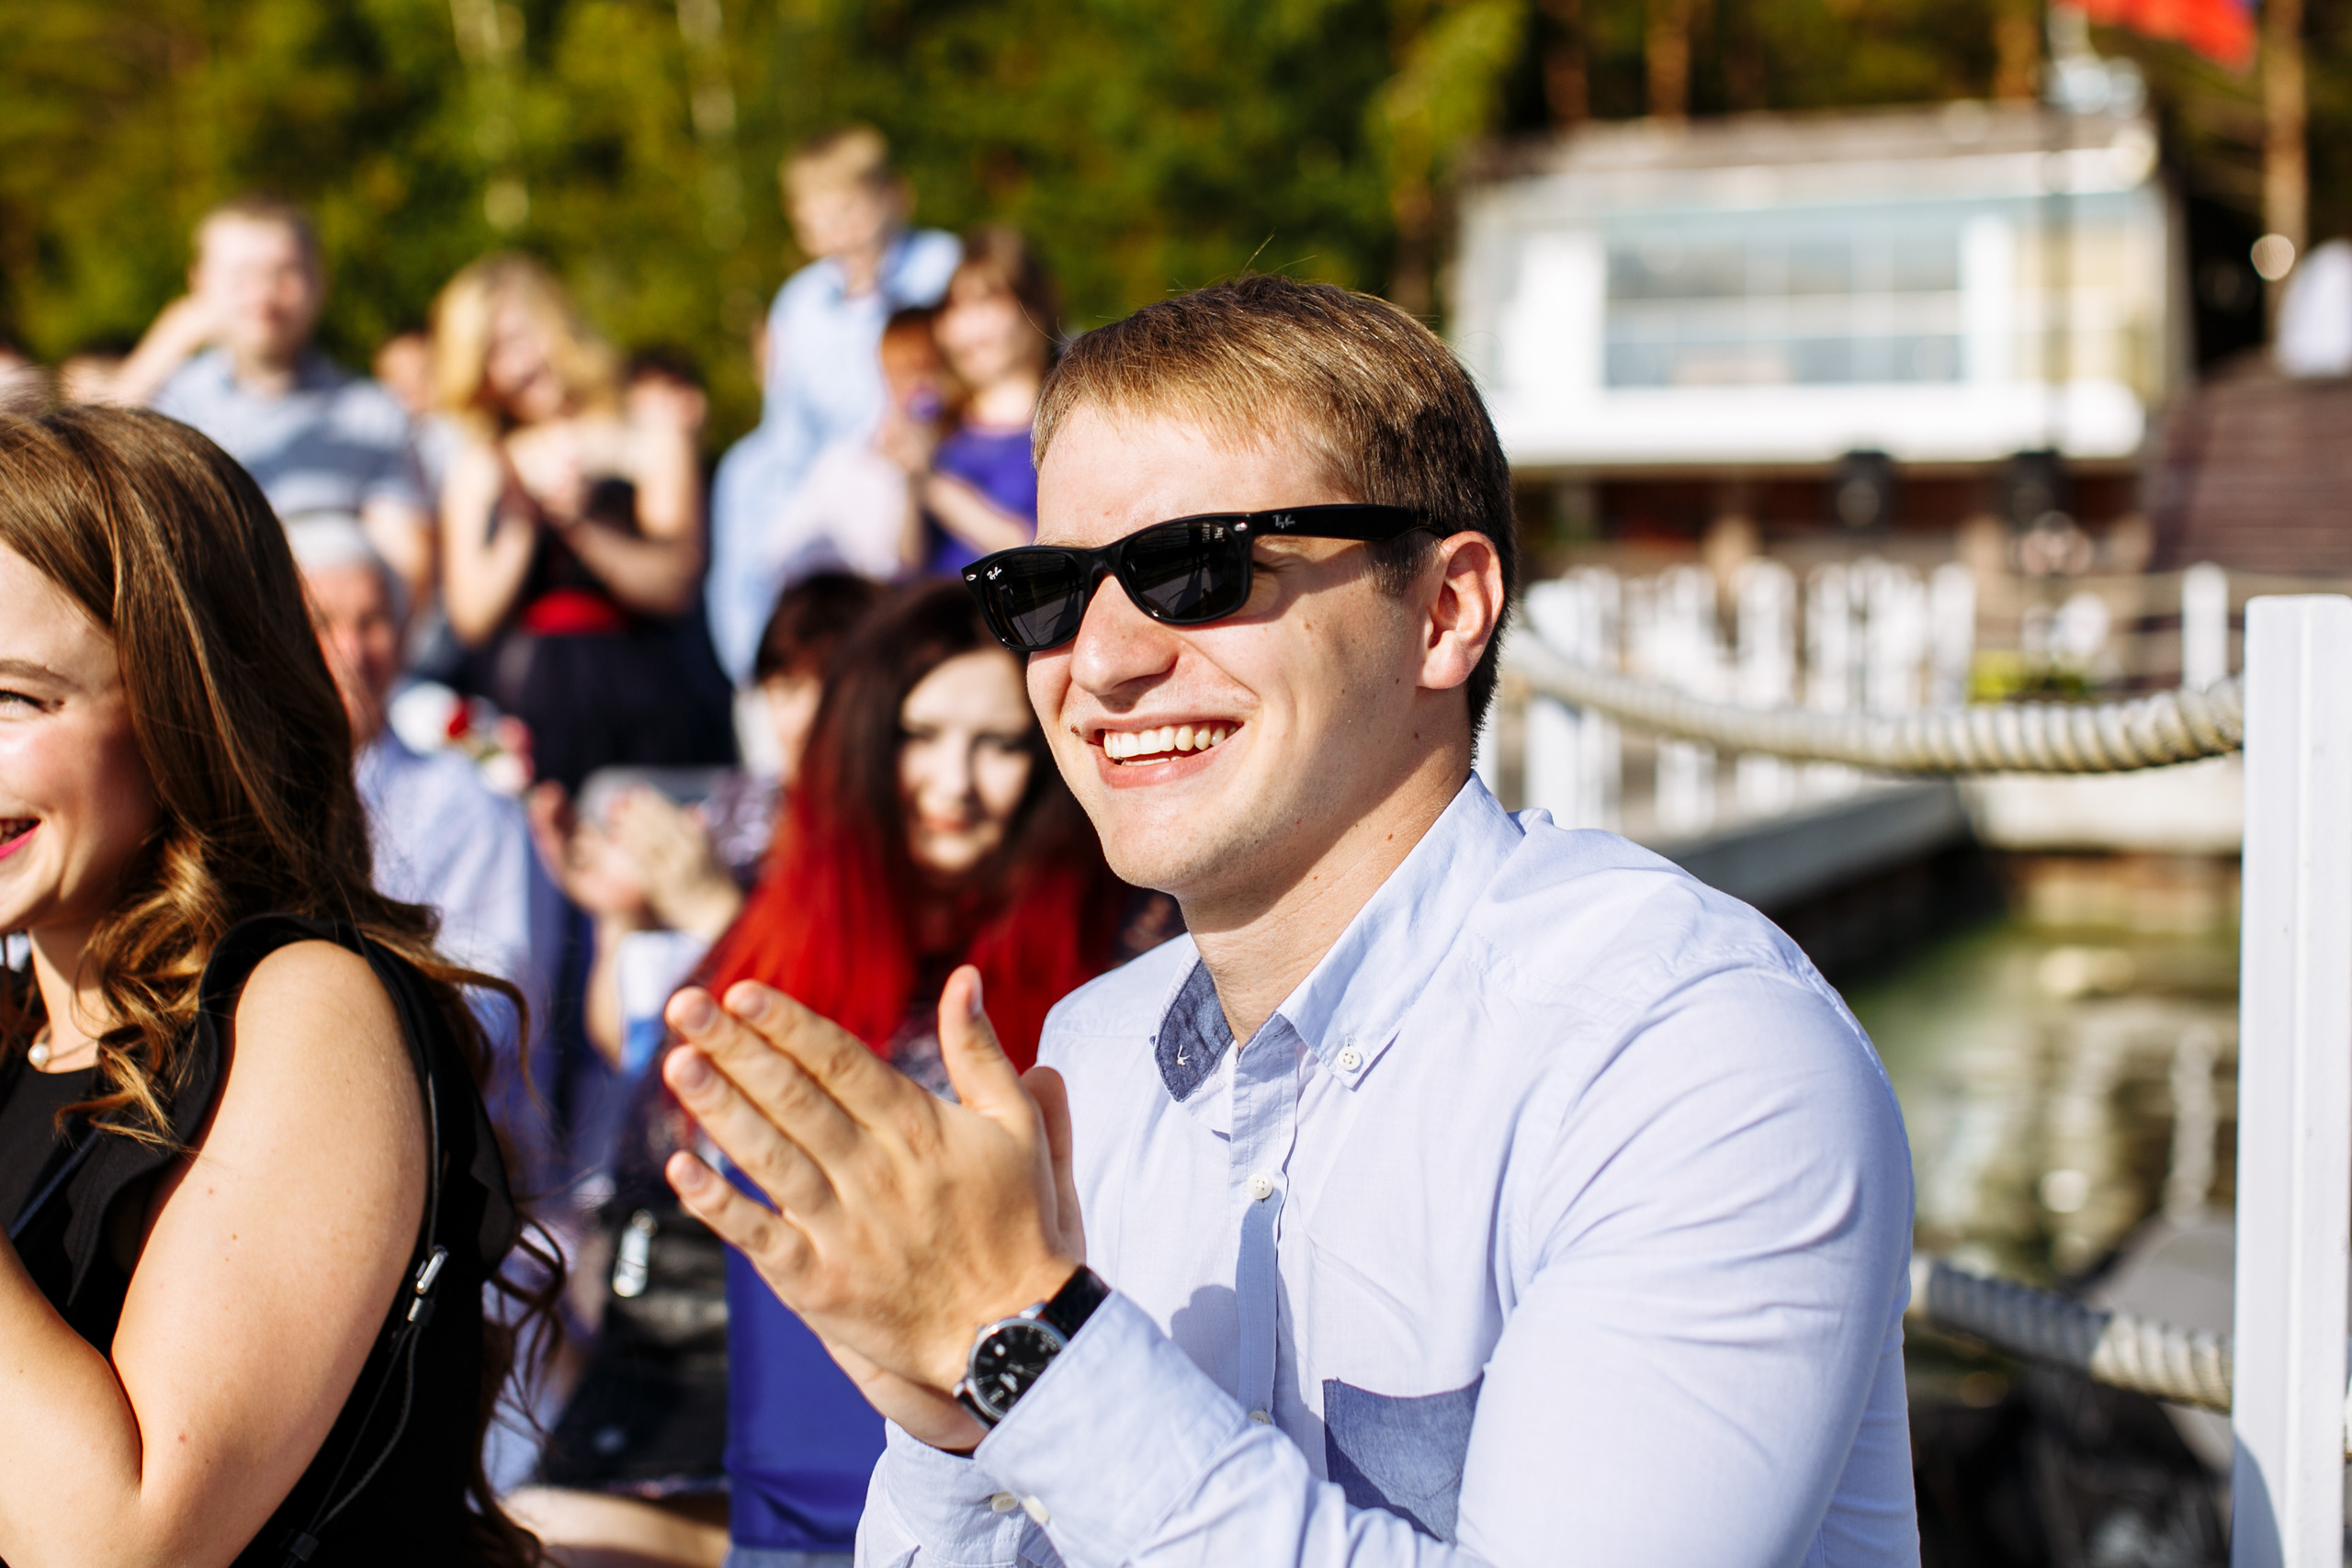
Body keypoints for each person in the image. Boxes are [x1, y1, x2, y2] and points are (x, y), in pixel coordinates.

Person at [653, 276, 1920, 1566]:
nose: (1099, 662)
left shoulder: (1685, 1060)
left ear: (1445, 610)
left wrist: (1021, 1339)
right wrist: (955, 1429)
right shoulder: (1090, 1058)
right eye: (1046, 589)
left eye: (1195, 567)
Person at [0, 406, 550, 1565]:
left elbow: (119, 1544)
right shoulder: (17, 1038)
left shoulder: (304, 1009)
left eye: (15, 700)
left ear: (179, 708)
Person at [704, 581, 1156, 1566]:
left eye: (997, 745)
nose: (955, 782)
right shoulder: (763, 951)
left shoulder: (1126, 961)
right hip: (743, 1460)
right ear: (864, 747)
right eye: (922, 735)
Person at [288, 512, 566, 1186]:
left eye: (371, 622)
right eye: (323, 625)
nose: (352, 651)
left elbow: (501, 988)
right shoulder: (237, 791)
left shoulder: (466, 803)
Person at [432, 253, 730, 793]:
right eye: (493, 354)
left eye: (520, 339)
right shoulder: (481, 461)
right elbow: (471, 615)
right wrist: (526, 518)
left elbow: (675, 583)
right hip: (529, 704)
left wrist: (585, 525)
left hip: (649, 697)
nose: (516, 367)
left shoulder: (650, 430)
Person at [707, 126, 959, 684]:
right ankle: (760, 664)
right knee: (746, 479)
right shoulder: (799, 303)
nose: (837, 226)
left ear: (893, 196)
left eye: (850, 206)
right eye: (818, 214)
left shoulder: (942, 268)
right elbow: (789, 426)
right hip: (833, 472)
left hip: (925, 453)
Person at [96, 196, 435, 604]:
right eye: (241, 276)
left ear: (318, 280)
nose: (264, 295)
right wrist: (167, 343)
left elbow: (407, 572)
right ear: (199, 282)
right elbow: (83, 458)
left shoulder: (371, 414)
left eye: (284, 272)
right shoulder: (163, 405)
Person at [911, 228, 1056, 576]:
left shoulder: (1072, 420)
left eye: (986, 302)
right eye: (954, 308)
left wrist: (931, 485)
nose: (967, 328)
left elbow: (1045, 554)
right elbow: (899, 561)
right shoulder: (926, 415)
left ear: (1032, 306)